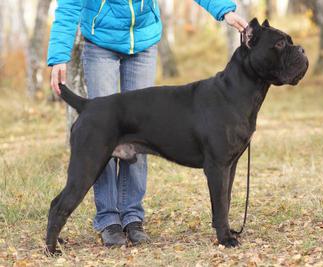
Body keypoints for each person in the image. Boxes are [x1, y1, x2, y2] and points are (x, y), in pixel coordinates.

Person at [47, 0, 248, 247]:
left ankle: (132, 218)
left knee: (145, 135)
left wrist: (223, 10)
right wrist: (58, 56)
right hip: (101, 39)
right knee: (101, 135)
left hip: (143, 38)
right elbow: (69, 5)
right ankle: (108, 220)